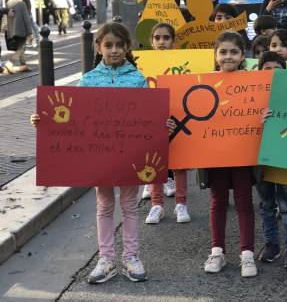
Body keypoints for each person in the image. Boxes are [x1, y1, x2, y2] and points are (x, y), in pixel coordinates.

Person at [30, 22, 171, 284]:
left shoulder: (138, 79)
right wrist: (44, 122)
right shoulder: (88, 80)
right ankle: (106, 259)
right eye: (109, 45)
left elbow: (149, 118)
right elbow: (72, 119)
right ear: (98, 48)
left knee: (129, 206)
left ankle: (131, 256)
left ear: (127, 47)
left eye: (119, 45)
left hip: (130, 156)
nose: (114, 50)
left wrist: (163, 124)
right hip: (100, 156)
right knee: (104, 205)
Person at [202, 31, 257, 278]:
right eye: (223, 52)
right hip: (216, 155)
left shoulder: (253, 82)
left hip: (243, 154)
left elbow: (257, 110)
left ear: (243, 55)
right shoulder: (205, 82)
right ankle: (217, 251)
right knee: (218, 201)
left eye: (234, 52)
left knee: (244, 202)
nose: (228, 56)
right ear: (215, 55)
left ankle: (247, 254)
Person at [256, 54, 287, 269]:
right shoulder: (251, 96)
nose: (273, 72)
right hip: (261, 160)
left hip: (284, 159)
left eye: (278, 67)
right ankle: (272, 244)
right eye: (267, 68)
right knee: (266, 205)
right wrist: (260, 121)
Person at [143, 23, 191, 225]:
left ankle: (181, 204)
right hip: (153, 120)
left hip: (178, 117)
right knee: (154, 161)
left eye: (166, 38)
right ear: (151, 42)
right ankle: (157, 205)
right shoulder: (143, 65)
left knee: (179, 162)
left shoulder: (185, 64)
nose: (161, 42)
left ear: (174, 41)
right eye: (157, 38)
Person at [4, 0, 33, 73]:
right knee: (21, 48)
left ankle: (23, 65)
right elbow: (26, 19)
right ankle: (10, 63)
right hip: (21, 29)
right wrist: (30, 32)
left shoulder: (8, 3)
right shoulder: (21, 4)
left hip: (11, 30)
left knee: (21, 47)